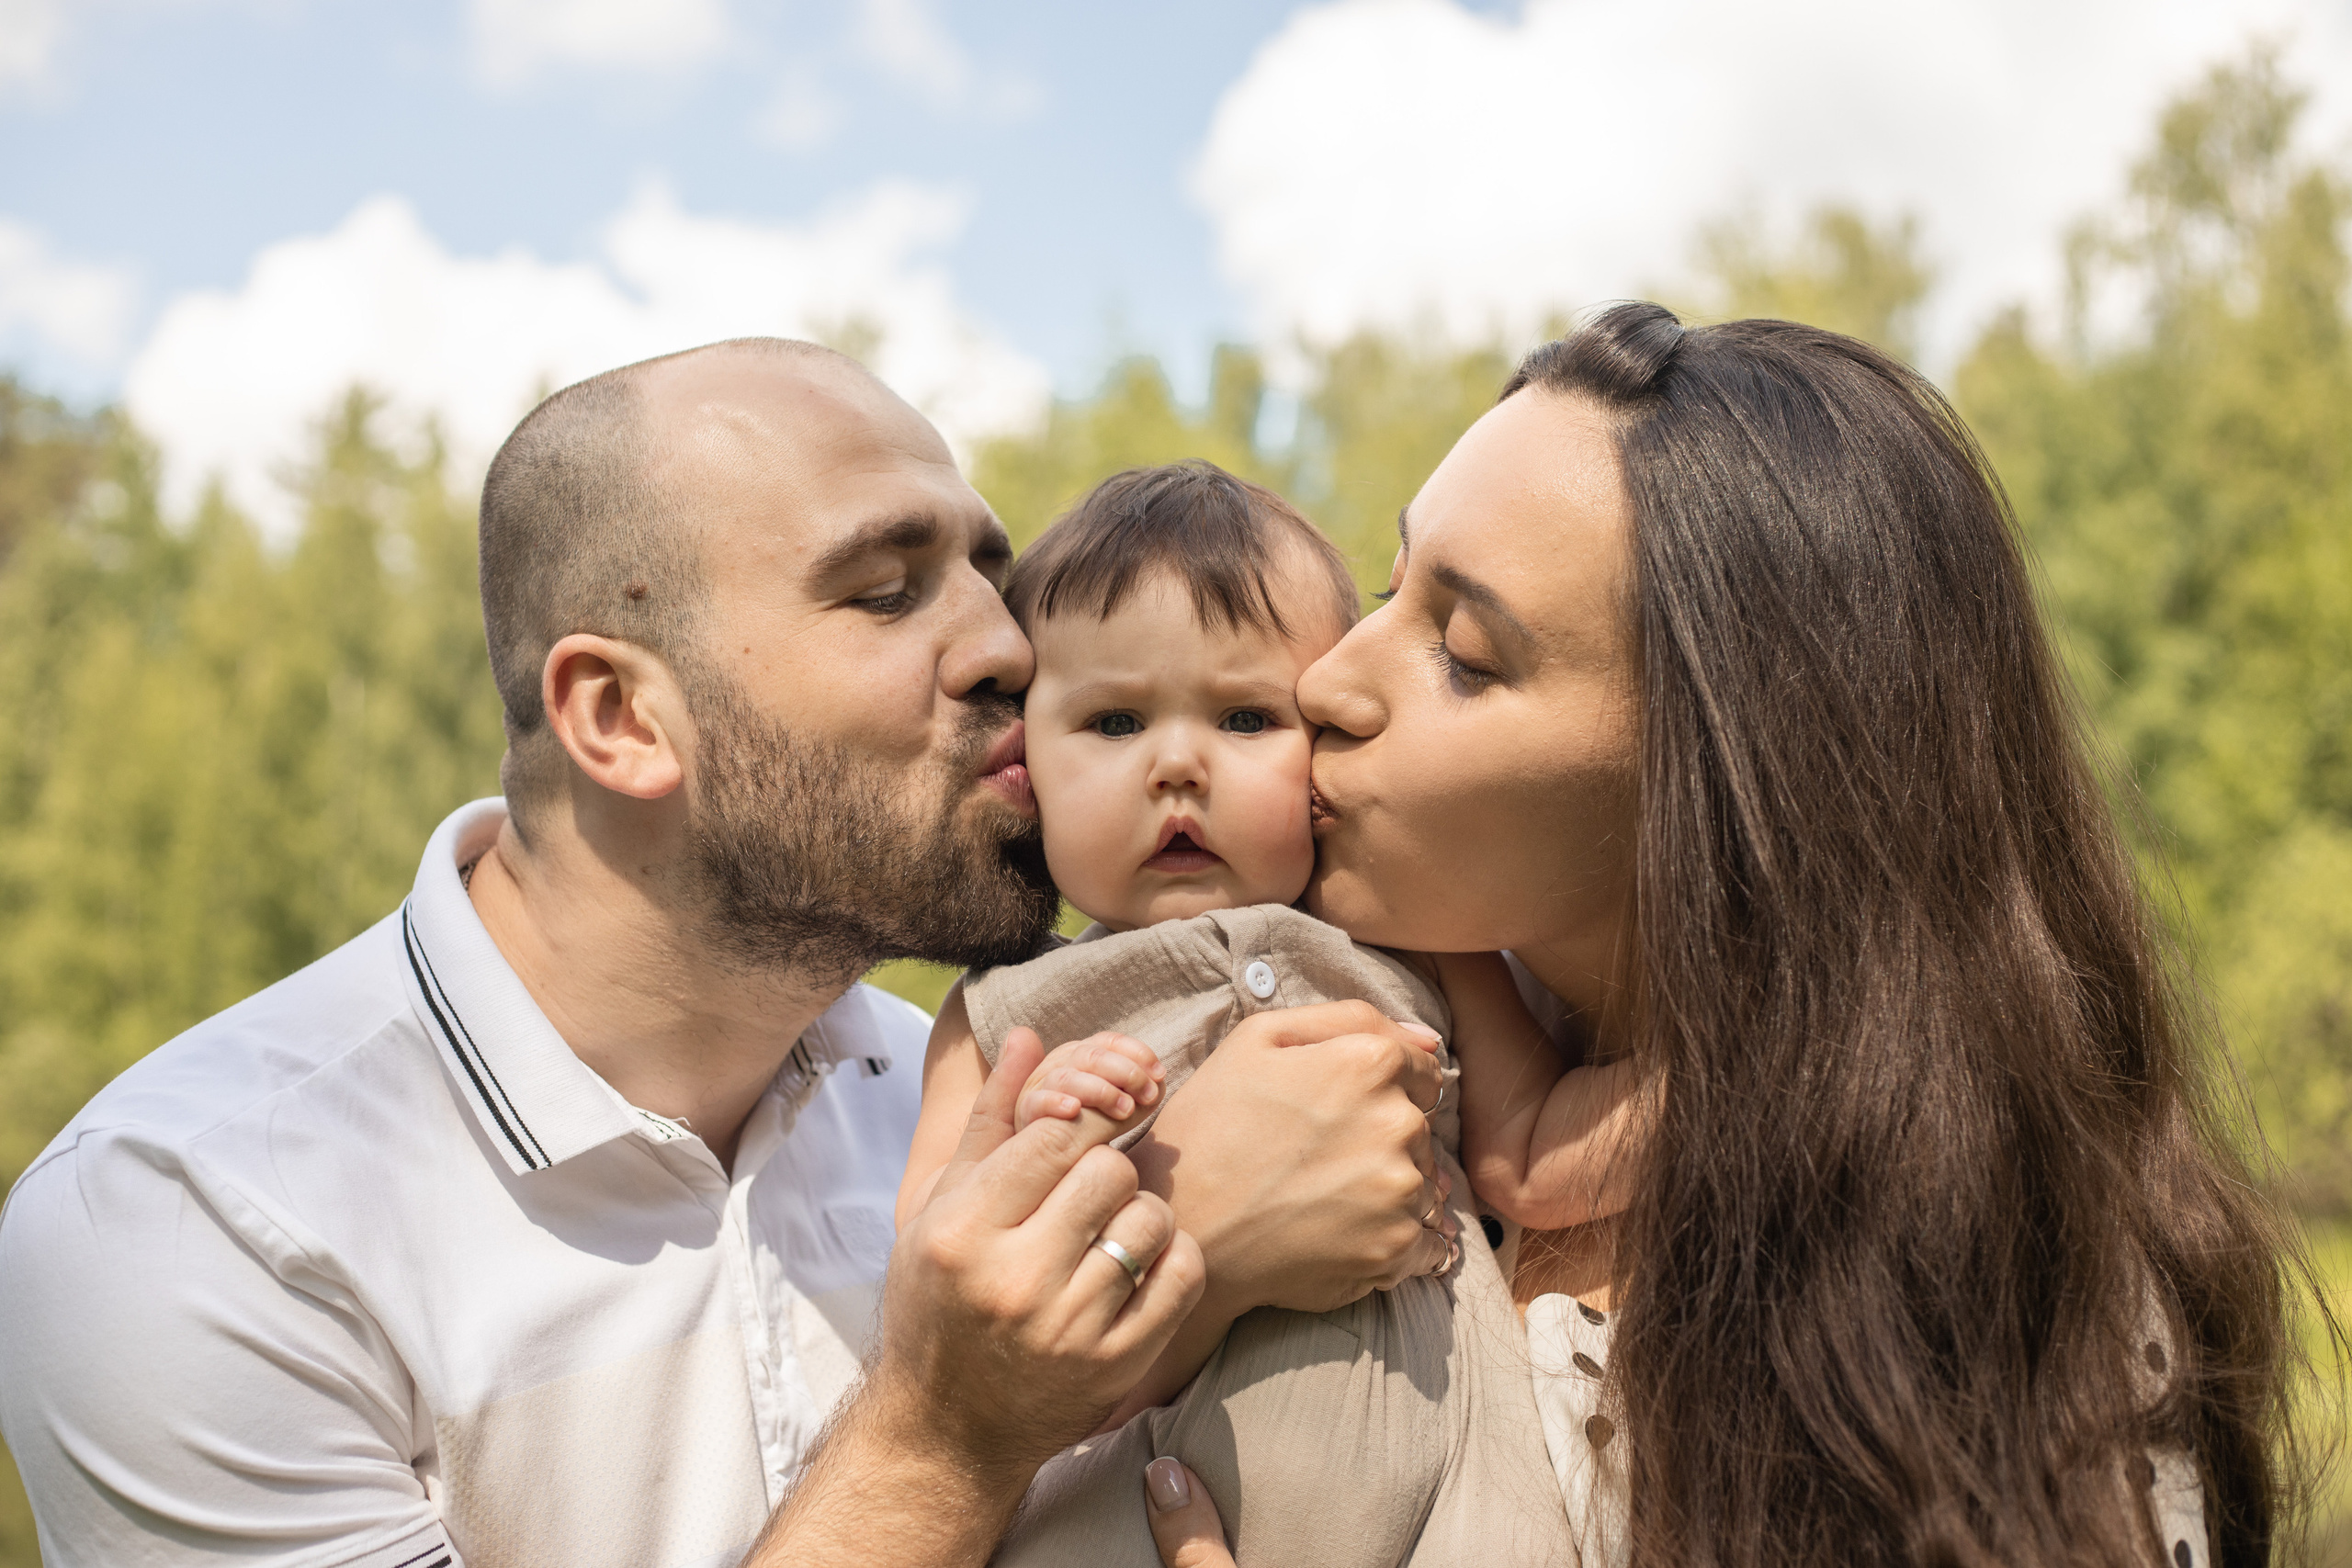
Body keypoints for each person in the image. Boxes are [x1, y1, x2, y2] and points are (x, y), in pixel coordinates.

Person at [0, 339, 1452, 1568]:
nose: (1009, 646)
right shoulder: (195, 1223)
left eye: (988, 573)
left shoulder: (986, 1088)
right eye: (886, 588)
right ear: (622, 717)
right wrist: (951, 1430)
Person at [1150, 303, 2309, 1568]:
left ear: (1735, 784)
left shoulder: (2000, 1314)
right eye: (1389, 586)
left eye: (1468, 657)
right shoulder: (1332, 1044)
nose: (1325, 682)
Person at [899, 461, 1627, 1566]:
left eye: (1246, 717)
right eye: (1112, 721)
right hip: (1127, 1522)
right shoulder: (1005, 1015)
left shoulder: (1421, 942)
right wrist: (1043, 1142)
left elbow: (1530, 1155)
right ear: (1025, 765)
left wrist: (1773, 1072)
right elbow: (935, 1332)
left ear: (1326, 747)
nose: (1176, 765)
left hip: (1464, 1506)